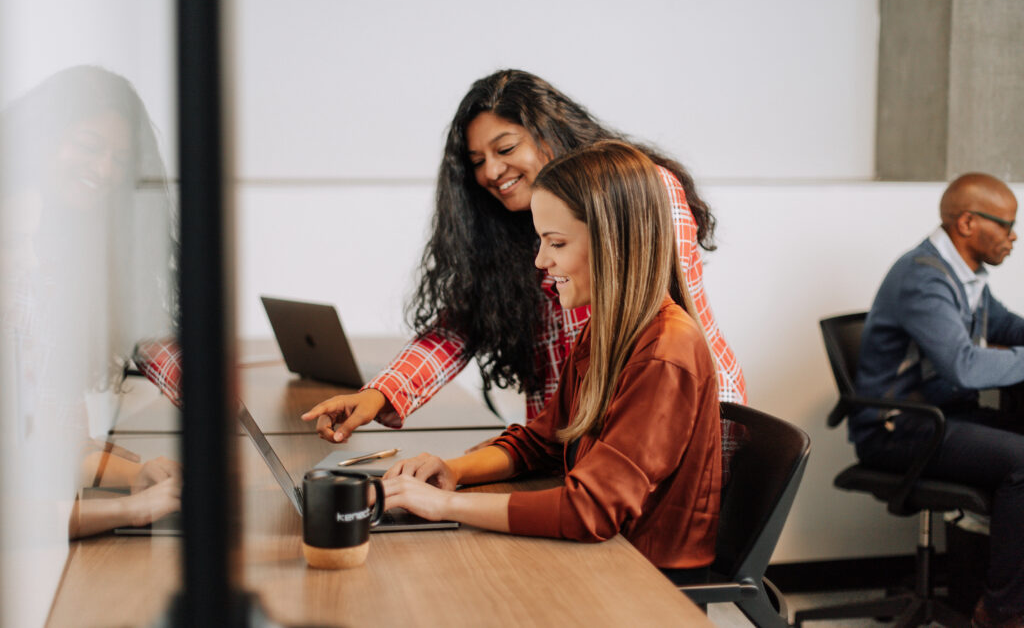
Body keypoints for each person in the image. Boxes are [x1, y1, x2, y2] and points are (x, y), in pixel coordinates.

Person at [302, 69, 745, 443]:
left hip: (671, 426)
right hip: (573, 437)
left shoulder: (646, 191)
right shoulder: (514, 224)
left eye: (506, 149)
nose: (491, 172)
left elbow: (639, 322)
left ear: (549, 134)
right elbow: (461, 326)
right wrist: (381, 394)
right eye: (476, 160)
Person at [381, 141, 721, 582]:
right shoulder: (605, 330)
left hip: (644, 574)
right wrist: (452, 471)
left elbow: (590, 511)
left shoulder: (665, 351)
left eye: (556, 242)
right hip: (609, 553)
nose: (541, 260)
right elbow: (544, 442)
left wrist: (445, 505)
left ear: (613, 244)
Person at [0, 65, 180, 539]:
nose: (105, 170)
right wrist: (130, 510)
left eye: (119, 159)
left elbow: (48, 447)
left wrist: (133, 474)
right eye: (88, 146)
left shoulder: (45, 284)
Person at [852, 172, 1024, 627]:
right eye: (1005, 225)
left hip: (943, 417)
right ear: (967, 223)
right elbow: (964, 366)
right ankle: (1001, 611)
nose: (1013, 236)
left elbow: (1005, 327)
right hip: (900, 430)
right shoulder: (924, 278)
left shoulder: (966, 276)